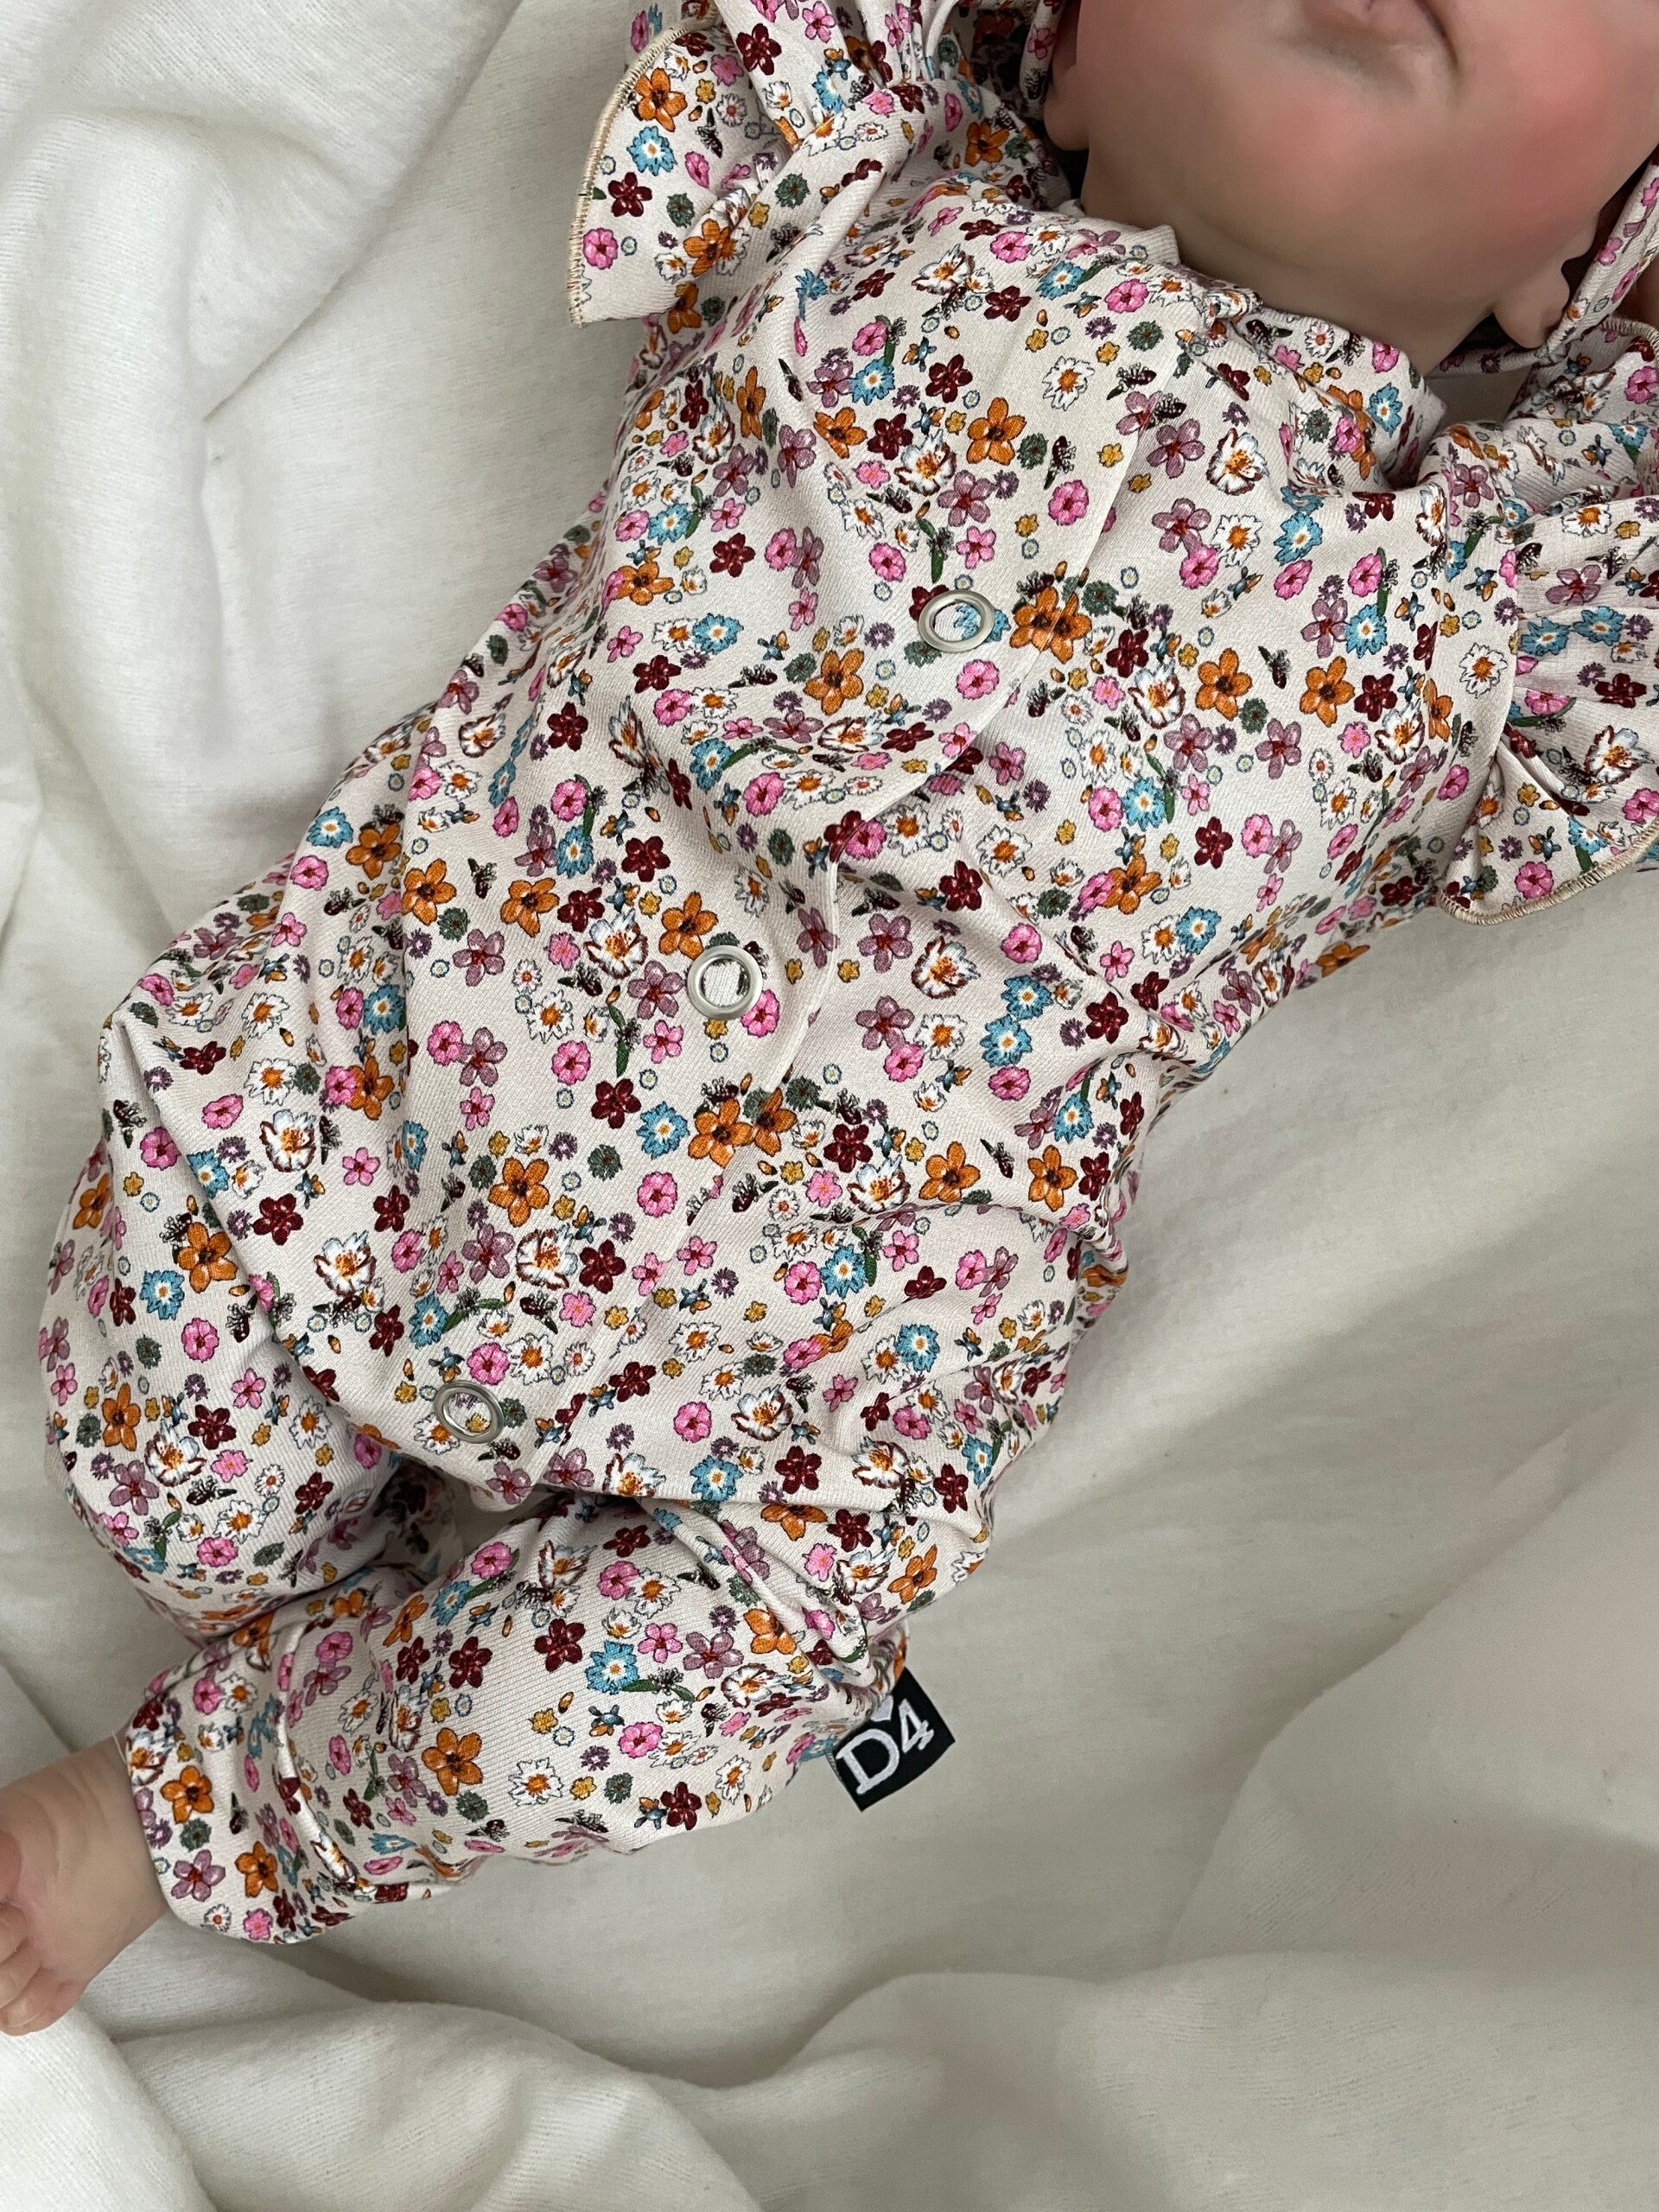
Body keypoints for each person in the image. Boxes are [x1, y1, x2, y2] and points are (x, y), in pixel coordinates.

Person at [4, 0, 1658, 2037]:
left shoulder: (1506, 610)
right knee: (170, 1448)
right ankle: (305, 1614)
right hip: (396, 1078)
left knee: (657, 1694)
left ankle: (197, 1798)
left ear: (1574, 271)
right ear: (1066, 55)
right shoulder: (862, 176)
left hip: (812, 1372)